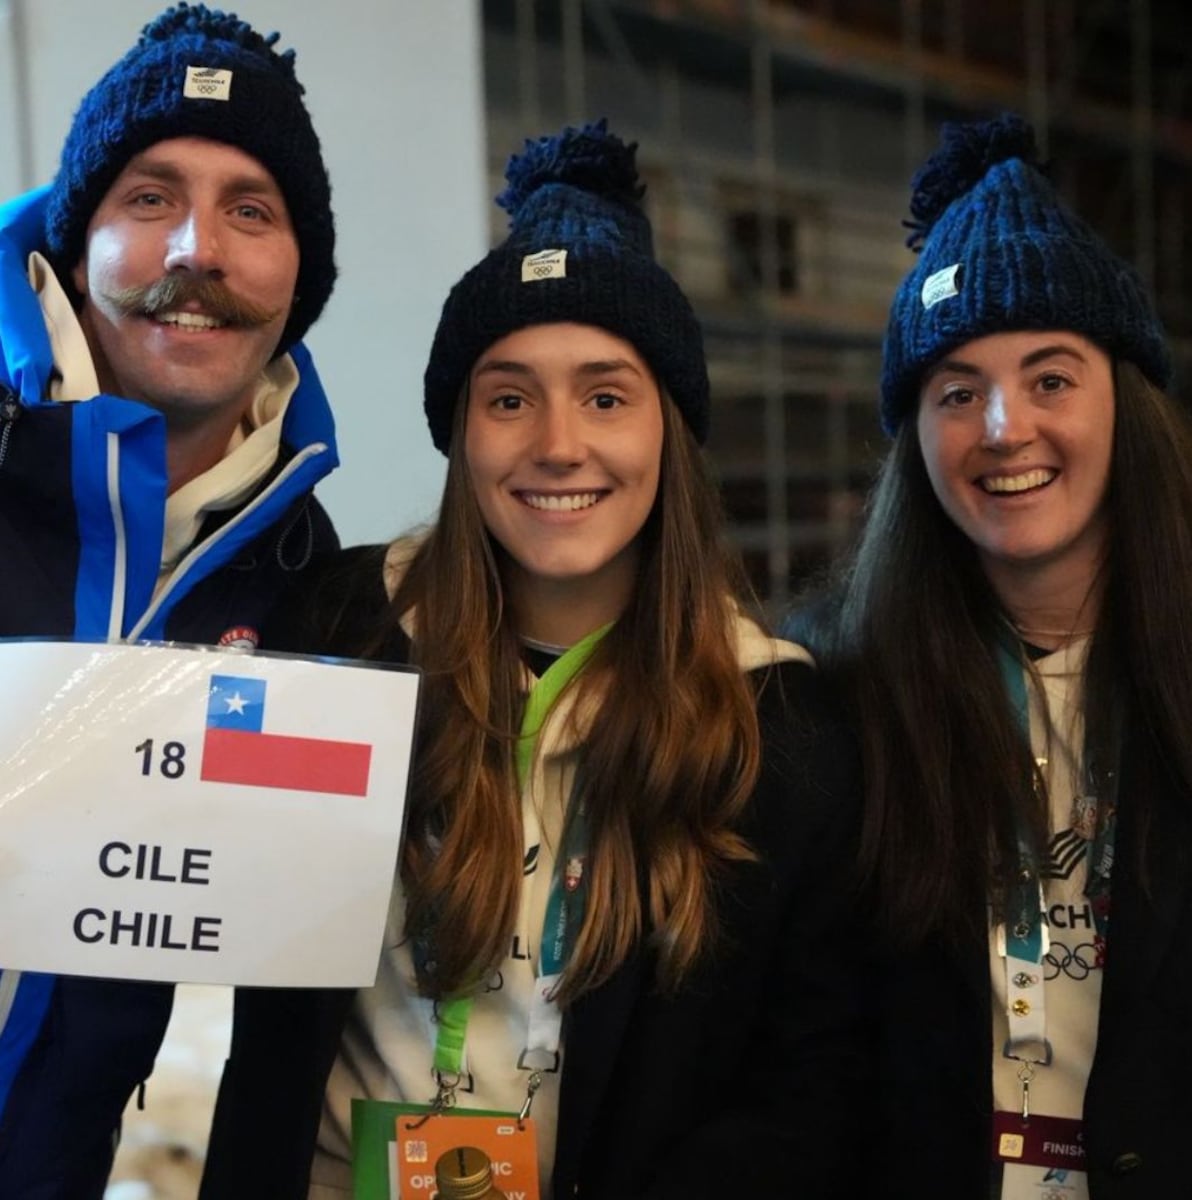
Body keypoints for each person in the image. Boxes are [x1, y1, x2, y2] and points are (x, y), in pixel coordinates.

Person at [200, 120, 867, 1200]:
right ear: (460, 433)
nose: (558, 442)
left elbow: (809, 1085)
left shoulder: (781, 727)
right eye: (509, 397)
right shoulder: (341, 629)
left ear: (671, 432)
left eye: (606, 396)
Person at [821, 112, 1192, 1196]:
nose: (1002, 426)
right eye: (955, 392)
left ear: (1125, 402)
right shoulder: (839, 707)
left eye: (1050, 377)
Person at [0, 4, 339, 1196]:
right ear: (77, 235)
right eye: (150, 197)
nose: (199, 248)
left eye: (252, 208)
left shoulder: (299, 566)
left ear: (301, 275)